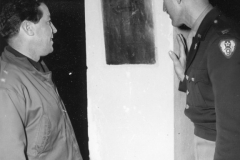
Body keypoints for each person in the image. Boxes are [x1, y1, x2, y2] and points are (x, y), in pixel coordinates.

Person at [0, 0, 83, 159]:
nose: (55, 29)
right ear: (28, 28)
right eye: (49, 22)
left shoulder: (37, 70)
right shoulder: (7, 86)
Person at [163, 0, 240, 159]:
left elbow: (233, 128)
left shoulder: (221, 39)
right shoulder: (204, 34)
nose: (164, 8)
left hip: (219, 148)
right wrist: (185, 78)